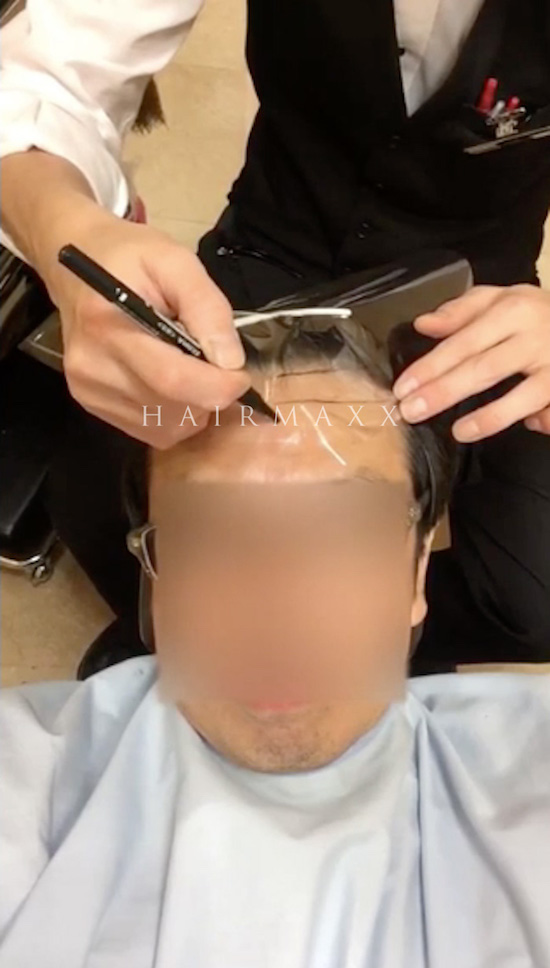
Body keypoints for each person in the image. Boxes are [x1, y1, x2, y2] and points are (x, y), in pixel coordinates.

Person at [1, 0, 550, 674]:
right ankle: (159, 635)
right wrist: (66, 226)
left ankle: (370, 656)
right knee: (96, 479)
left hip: (475, 298)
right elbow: (45, 78)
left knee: (534, 594)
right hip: (277, 243)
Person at [1, 314, 549, 968]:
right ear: (152, 570)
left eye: (342, 529)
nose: (279, 608)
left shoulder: (527, 771)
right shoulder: (32, 779)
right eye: (211, 533)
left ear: (417, 574)